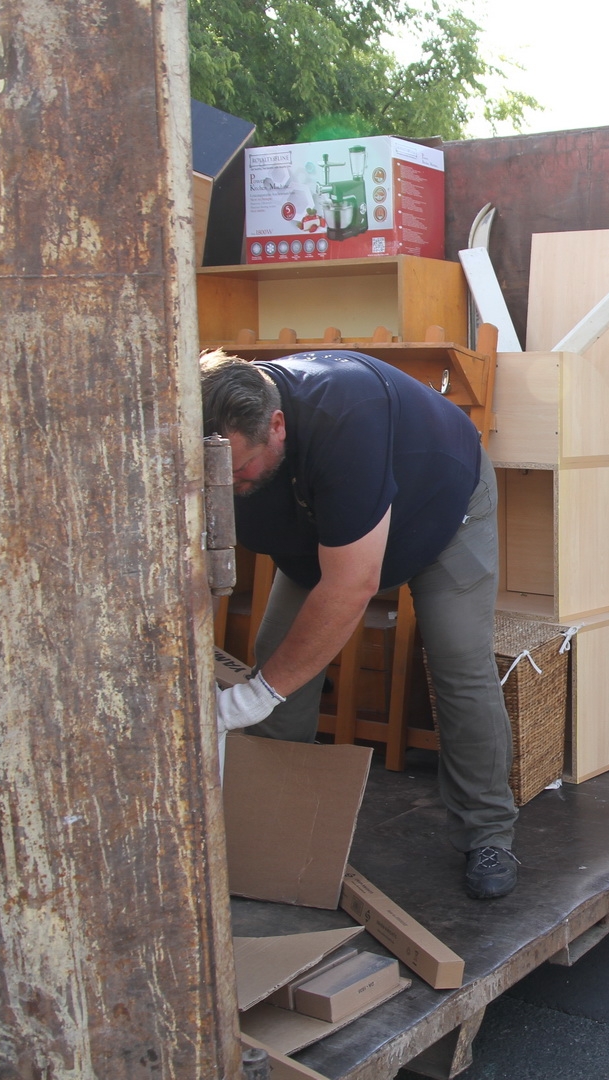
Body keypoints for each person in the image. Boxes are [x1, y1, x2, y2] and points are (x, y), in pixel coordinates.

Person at [200, 348, 521, 900]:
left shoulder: (346, 417)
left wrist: (254, 697)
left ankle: (488, 832)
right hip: (322, 532)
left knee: (458, 662)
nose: (228, 485)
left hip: (441, 508)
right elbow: (194, 569)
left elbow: (351, 585)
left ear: (276, 426)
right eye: (216, 474)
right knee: (277, 653)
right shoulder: (208, 447)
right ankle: (269, 830)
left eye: (239, 471)